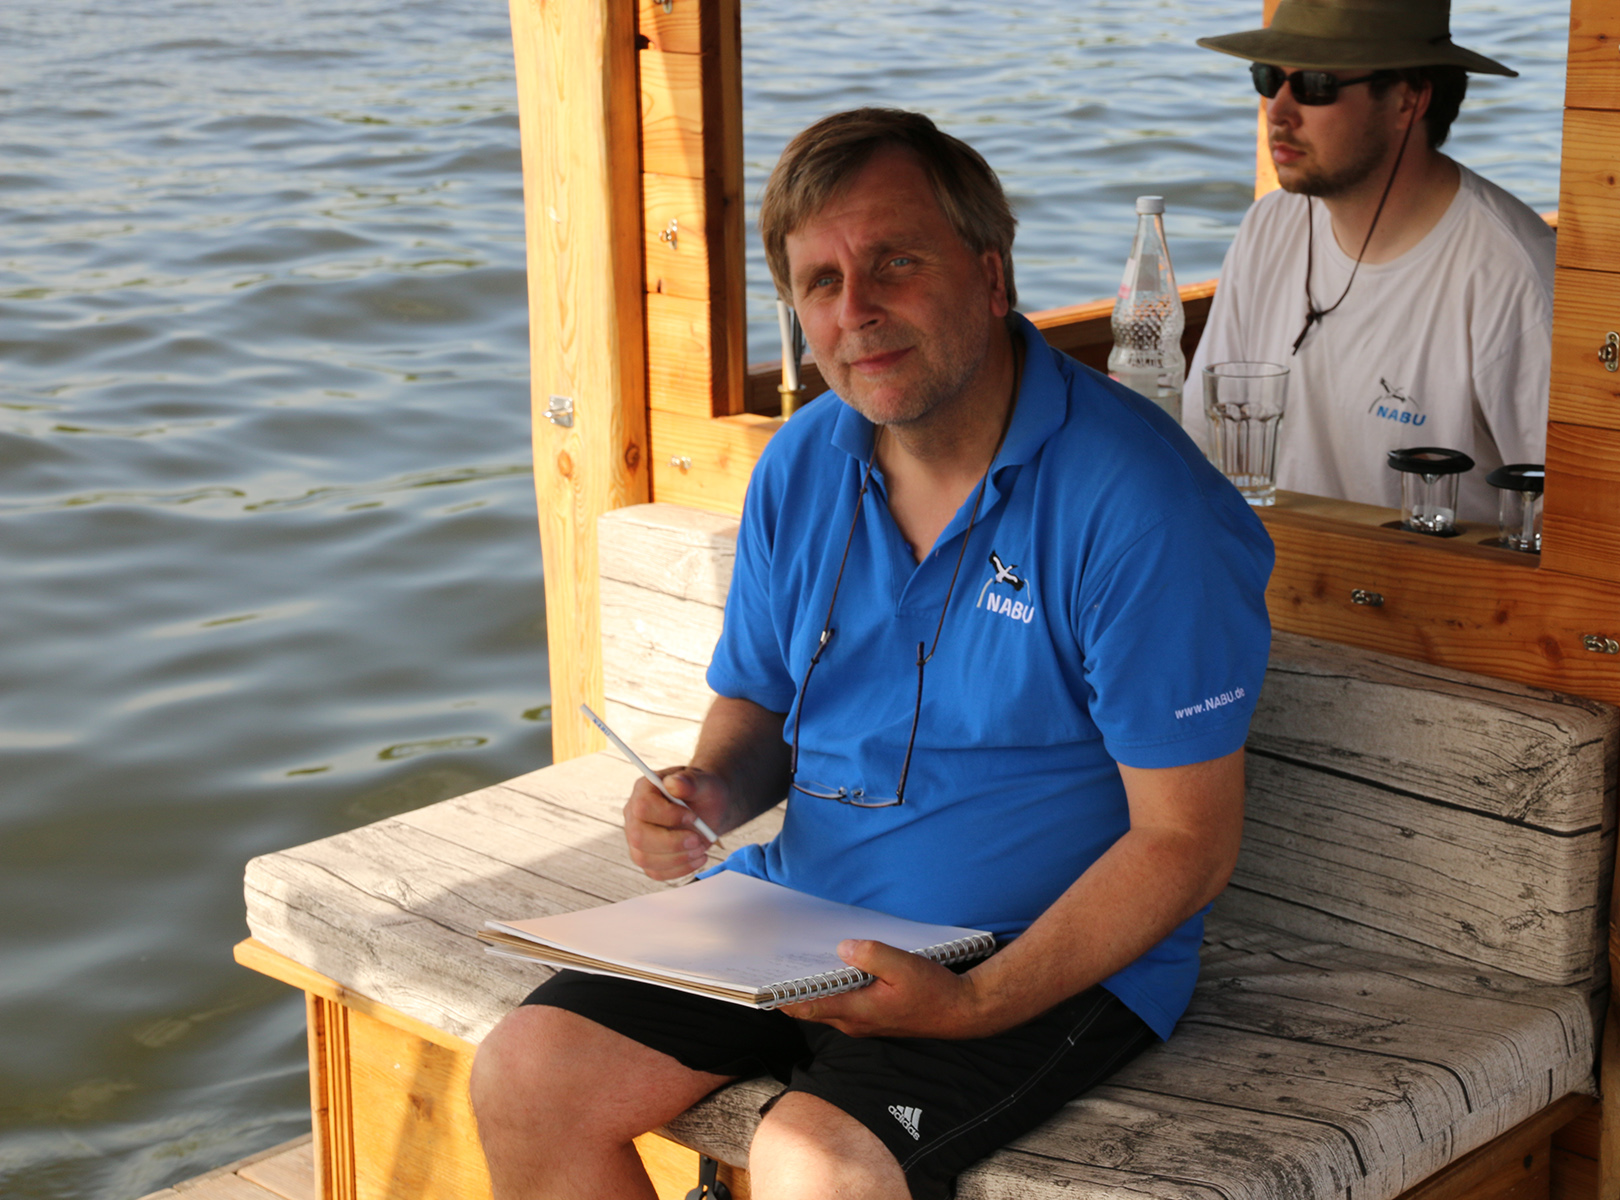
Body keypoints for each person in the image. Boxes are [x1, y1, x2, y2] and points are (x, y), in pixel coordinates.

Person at [468, 108, 1274, 1200]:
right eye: (821, 282)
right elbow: (761, 701)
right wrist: (709, 790)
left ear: (990, 275)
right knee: (526, 1075)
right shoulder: (802, 462)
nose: (856, 311)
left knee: (816, 1166)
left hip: (1031, 950)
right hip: (796, 914)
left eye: (896, 262)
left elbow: (1186, 844)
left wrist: (976, 1004)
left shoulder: (1141, 505)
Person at [1182, 0, 1554, 525]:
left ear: (1408, 100)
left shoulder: (1512, 276)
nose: (1277, 111)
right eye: (1268, 78)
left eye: (1315, 85)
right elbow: (1200, 445)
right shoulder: (1267, 228)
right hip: (1272, 571)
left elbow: (1565, 524)